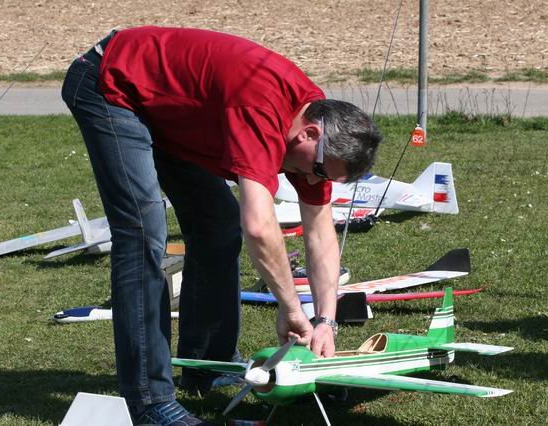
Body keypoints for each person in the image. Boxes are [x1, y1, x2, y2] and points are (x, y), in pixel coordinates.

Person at [61, 26, 381, 425]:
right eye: (317, 171)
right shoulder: (261, 111)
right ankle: (149, 402)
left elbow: (320, 232)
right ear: (310, 133)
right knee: (143, 234)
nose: (312, 181)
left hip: (168, 111)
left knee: (218, 222)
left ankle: (208, 365)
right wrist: (291, 309)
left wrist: (324, 321)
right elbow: (259, 227)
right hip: (110, 85)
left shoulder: (314, 132)